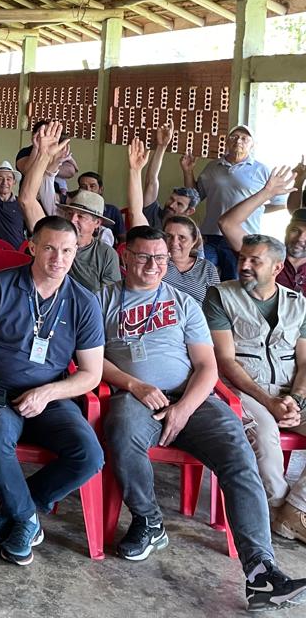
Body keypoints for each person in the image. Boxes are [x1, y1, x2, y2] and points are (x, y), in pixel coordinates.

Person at [98, 228, 306, 607]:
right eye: (143, 256)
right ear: (125, 257)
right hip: (135, 397)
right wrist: (135, 385)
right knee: (122, 431)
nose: (153, 265)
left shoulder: (184, 302)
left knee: (238, 453)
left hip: (192, 397)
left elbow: (208, 366)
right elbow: (92, 361)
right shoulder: (101, 300)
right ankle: (149, 520)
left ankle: (261, 570)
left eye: (161, 258)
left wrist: (183, 409)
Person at [0, 216, 105, 566]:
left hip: (51, 395)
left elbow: (91, 374)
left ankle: (16, 509)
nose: (58, 258)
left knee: (90, 455)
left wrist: (48, 393)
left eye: (67, 250)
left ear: (76, 251)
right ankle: (25, 520)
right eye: (50, 248)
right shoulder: (0, 286)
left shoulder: (84, 302)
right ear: (33, 247)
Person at [205, 234, 306, 545]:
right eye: (242, 259)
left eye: (254, 261)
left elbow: (305, 361)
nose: (245, 266)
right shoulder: (221, 296)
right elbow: (225, 360)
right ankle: (277, 508)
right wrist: (269, 401)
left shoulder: (298, 304)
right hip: (245, 389)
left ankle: (296, 509)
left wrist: (296, 399)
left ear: (277, 267)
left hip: (290, 391)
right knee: (264, 436)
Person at [20, 122, 120, 294]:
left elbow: (109, 301)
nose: (72, 220)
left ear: (97, 223)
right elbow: (26, 200)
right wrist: (43, 155)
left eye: (81, 216)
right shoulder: (52, 235)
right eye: (70, 213)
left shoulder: (106, 254)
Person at [187, 125, 287, 281]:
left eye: (244, 138)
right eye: (234, 137)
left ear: (252, 144)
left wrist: (257, 209)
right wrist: (187, 171)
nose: (239, 141)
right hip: (210, 236)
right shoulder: (212, 167)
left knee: (234, 281)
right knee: (202, 277)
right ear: (227, 142)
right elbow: (195, 197)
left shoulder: (261, 170)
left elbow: (280, 203)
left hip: (242, 238)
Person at [218, 168, 306, 293]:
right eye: (295, 230)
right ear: (287, 229)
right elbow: (227, 224)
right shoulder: (265, 253)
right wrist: (267, 193)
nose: (300, 238)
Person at [77, 171, 126, 243]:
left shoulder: (112, 211)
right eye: (83, 187)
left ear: (101, 189)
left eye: (92, 186)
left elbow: (122, 238)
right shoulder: (74, 211)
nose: (88, 190)